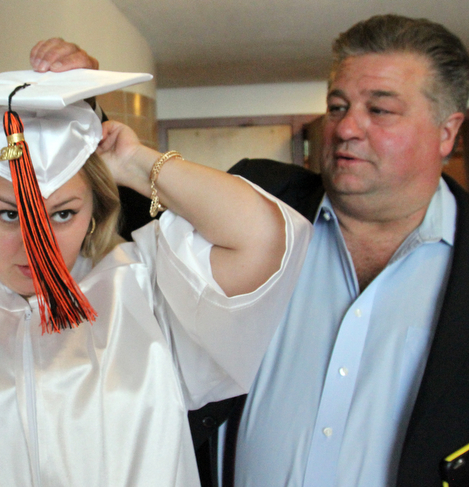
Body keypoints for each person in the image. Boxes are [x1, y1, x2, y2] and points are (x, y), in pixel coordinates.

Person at [0, 68, 310, 486]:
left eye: (63, 213)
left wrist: (135, 162)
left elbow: (264, 237)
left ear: (94, 213)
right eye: (7, 214)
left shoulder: (144, 290)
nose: (34, 244)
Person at [186, 14, 469, 487]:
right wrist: (82, 107)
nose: (345, 129)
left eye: (379, 110)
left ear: (447, 131)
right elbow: (122, 215)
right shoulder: (257, 203)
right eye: (338, 106)